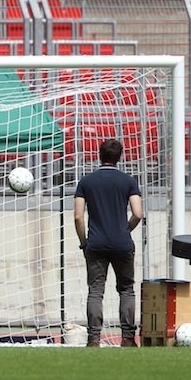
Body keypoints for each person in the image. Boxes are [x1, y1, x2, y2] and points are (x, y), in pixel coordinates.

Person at [74, 139, 143, 347]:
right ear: (120, 157)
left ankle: (94, 338)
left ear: (99, 155)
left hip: (96, 244)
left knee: (96, 291)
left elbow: (78, 216)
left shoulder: (86, 182)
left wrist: (84, 242)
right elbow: (138, 213)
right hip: (122, 243)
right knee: (126, 289)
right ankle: (128, 338)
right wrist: (125, 229)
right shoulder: (128, 181)